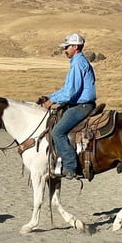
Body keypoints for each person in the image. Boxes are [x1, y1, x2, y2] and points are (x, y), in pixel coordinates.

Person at [38, 33, 96, 180]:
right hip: (80, 104)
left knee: (57, 132)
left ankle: (70, 166)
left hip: (81, 106)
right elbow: (67, 89)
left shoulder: (77, 63)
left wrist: (52, 101)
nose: (65, 50)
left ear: (75, 47)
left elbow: (71, 92)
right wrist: (51, 97)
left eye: (67, 47)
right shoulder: (78, 62)